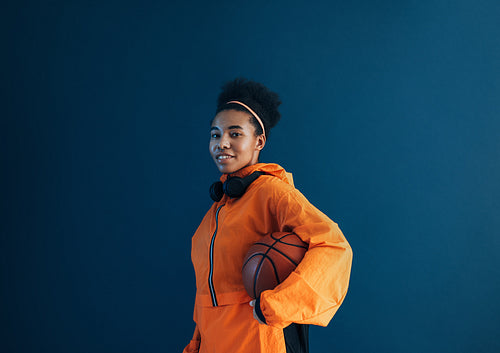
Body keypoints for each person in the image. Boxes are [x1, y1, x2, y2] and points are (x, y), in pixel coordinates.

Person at [183, 78, 353, 353]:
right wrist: (196, 345)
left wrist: (280, 304)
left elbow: (334, 246)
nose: (222, 143)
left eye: (235, 134)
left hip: (258, 341)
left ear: (259, 141)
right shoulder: (211, 218)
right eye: (215, 134)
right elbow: (206, 299)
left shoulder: (272, 192)